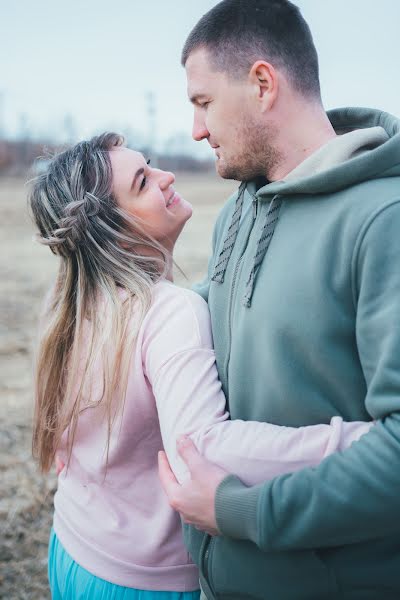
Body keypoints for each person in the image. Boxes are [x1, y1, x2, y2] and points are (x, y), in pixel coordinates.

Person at [29, 134, 370, 599]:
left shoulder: (70, 304)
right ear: (113, 227)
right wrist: (366, 443)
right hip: (147, 582)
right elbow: (205, 447)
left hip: (72, 550)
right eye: (143, 181)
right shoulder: (168, 313)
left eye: (149, 164)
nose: (166, 175)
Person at [158, 1, 400, 599]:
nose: (195, 129)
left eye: (203, 102)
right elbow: (216, 311)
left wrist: (245, 510)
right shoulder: (242, 205)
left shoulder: (383, 221)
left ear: (263, 83)